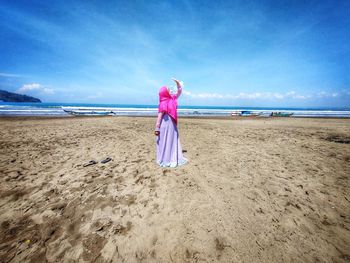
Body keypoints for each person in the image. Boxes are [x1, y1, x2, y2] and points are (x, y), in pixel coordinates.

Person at [155, 78, 188, 168]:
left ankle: (172, 157)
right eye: (168, 90)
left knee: (172, 140)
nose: (170, 91)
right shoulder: (163, 102)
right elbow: (159, 116)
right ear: (164, 92)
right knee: (165, 140)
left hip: (172, 124)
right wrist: (157, 127)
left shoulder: (172, 99)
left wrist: (178, 84)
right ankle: (166, 158)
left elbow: (179, 92)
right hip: (164, 125)